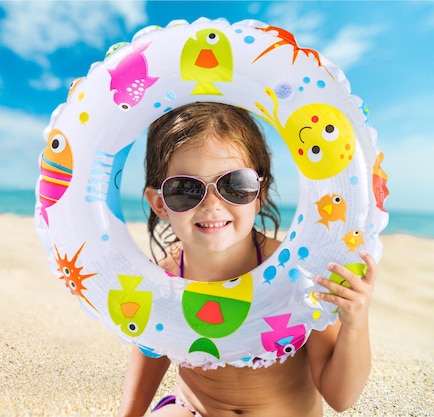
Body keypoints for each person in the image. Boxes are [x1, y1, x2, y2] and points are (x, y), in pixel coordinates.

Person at [117, 102, 377, 417]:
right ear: (159, 204)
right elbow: (151, 353)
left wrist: (355, 324)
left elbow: (340, 397)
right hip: (194, 408)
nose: (212, 205)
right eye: (185, 189)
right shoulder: (166, 277)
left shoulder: (296, 273)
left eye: (235, 185)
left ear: (259, 193)